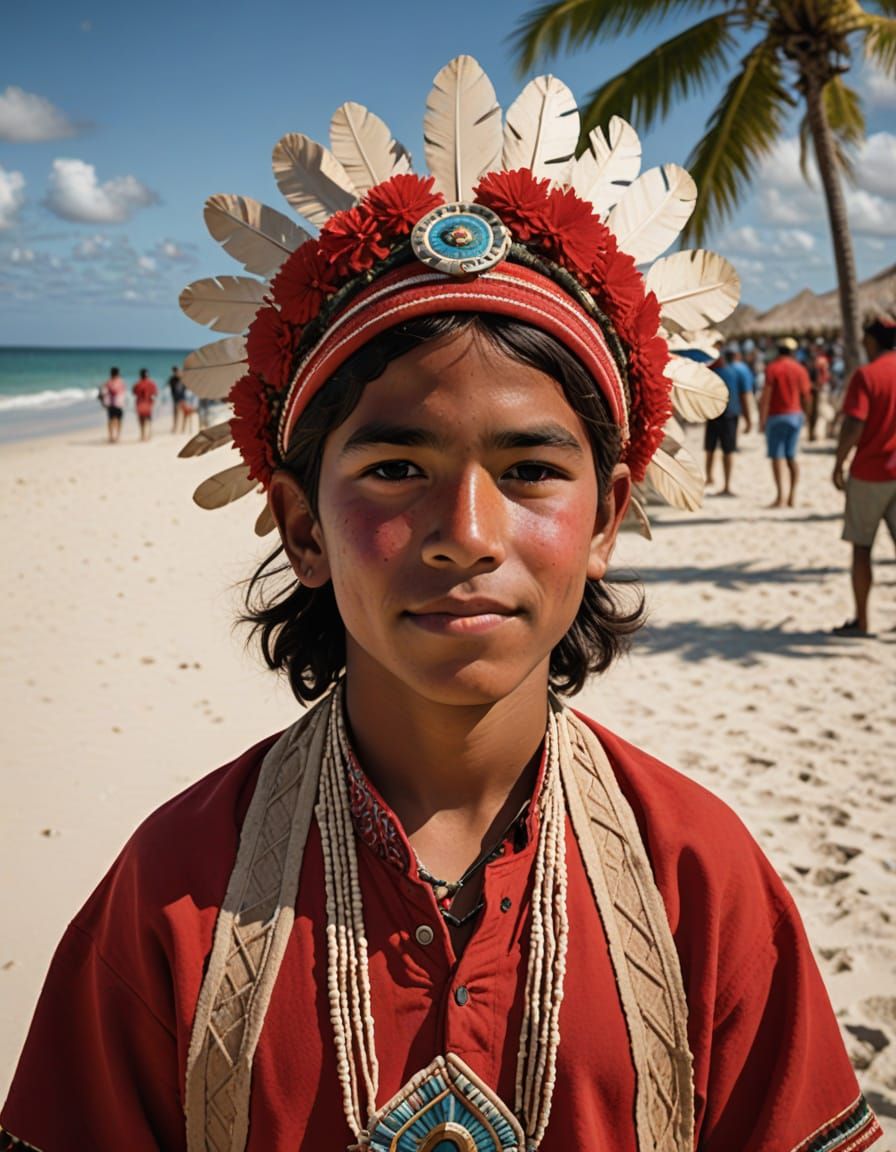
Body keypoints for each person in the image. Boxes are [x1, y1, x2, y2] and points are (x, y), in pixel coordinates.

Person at [1, 58, 882, 1152]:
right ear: (300, 525)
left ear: (605, 517)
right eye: (393, 469)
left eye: (528, 471)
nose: (465, 533)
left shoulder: (697, 880)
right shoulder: (174, 894)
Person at [832, 316, 896, 636]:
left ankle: (863, 620)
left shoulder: (867, 376)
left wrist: (838, 462)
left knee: (861, 548)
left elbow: (854, 424)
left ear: (871, 341)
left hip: (871, 473)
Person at [759, 336, 812, 508]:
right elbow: (806, 397)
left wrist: (762, 419)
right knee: (791, 457)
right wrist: (807, 417)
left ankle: (780, 496)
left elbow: (766, 396)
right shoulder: (800, 369)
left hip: (776, 416)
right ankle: (792, 497)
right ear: (793, 351)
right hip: (795, 416)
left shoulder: (772, 368)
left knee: (776, 457)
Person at [704, 343, 753, 496]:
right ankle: (726, 484)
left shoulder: (713, 371)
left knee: (711, 448)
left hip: (714, 414)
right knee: (728, 450)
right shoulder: (738, 371)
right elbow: (744, 396)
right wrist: (748, 418)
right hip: (730, 415)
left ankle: (711, 478)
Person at [808, 338, 831, 442]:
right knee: (821, 413)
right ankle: (818, 434)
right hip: (819, 389)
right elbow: (822, 376)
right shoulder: (821, 360)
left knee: (817, 413)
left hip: (816, 388)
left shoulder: (817, 360)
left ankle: (814, 434)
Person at [98, 365, 126, 443]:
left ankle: (112, 436)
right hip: (118, 404)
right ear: (118, 373)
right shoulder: (120, 382)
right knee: (117, 420)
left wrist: (103, 400)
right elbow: (122, 392)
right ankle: (116, 436)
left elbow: (103, 393)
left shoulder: (109, 382)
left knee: (111, 420)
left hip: (113, 404)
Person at [132, 368, 159, 441]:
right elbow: (156, 394)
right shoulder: (151, 383)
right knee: (148, 420)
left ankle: (142, 435)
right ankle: (149, 435)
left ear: (140, 375)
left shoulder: (137, 384)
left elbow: (134, 393)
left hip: (140, 404)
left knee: (141, 420)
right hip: (148, 404)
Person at [168, 364, 186, 433]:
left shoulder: (180, 379)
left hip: (181, 398)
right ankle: (176, 427)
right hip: (177, 398)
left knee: (181, 413)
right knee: (176, 413)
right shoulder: (173, 379)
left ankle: (181, 428)